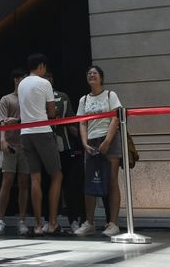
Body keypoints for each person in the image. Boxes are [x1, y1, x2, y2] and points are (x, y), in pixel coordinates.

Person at [74, 65, 122, 237]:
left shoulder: (111, 95)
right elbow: (82, 123)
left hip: (110, 140)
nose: (91, 75)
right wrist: (85, 143)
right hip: (91, 142)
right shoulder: (83, 100)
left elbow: (116, 118)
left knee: (111, 180)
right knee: (90, 182)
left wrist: (108, 141)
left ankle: (113, 223)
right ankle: (90, 223)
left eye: (94, 73)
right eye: (89, 73)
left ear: (101, 78)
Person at [18, 54, 62, 235]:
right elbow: (51, 112)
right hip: (42, 131)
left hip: (25, 133)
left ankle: (37, 225)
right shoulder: (45, 84)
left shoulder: (21, 84)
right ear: (42, 66)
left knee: (35, 178)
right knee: (56, 175)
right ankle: (52, 222)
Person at [0, 69, 30, 236]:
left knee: (24, 182)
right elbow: (2, 122)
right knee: (6, 182)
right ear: (16, 80)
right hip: (10, 145)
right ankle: (0, 220)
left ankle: (22, 220)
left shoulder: (28, 99)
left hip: (26, 145)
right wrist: (3, 140)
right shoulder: (6, 99)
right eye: (23, 79)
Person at [47, 70, 85, 232]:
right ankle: (48, 220)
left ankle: (74, 219)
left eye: (49, 78)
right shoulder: (36, 98)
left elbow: (70, 119)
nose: (47, 81)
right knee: (47, 183)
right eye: (44, 79)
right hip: (45, 146)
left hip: (65, 146)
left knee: (70, 185)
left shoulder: (63, 97)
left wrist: (82, 139)